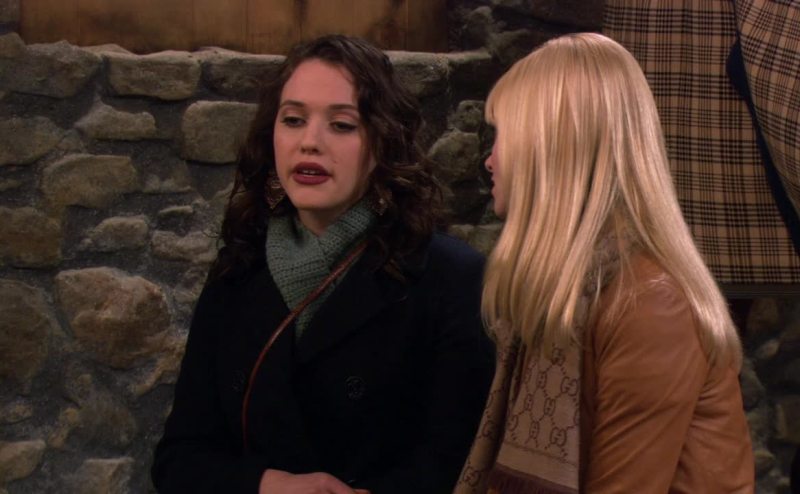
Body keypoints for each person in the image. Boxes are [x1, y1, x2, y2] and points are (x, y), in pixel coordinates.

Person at [151, 35, 494, 494]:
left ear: (383, 143)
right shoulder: (239, 267)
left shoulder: (451, 277)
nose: (309, 143)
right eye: (293, 120)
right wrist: (266, 485)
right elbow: (179, 460)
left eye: (342, 125)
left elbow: (460, 465)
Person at [454, 33, 755, 493]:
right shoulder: (563, 294)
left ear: (553, 149)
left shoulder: (650, 303)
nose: (489, 160)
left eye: (502, 136)